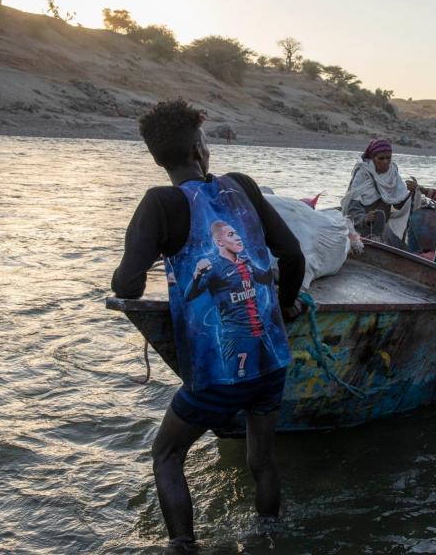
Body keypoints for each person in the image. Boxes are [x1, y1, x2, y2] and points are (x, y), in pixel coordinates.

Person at [111, 99, 305, 549]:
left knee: (166, 454)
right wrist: (288, 303)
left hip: (217, 374)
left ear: (157, 157)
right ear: (199, 149)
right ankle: (269, 534)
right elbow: (291, 255)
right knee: (261, 457)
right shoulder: (243, 186)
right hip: (271, 358)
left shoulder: (160, 203)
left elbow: (128, 286)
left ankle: (183, 545)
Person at [340, 139, 414, 238]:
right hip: (361, 225)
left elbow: (399, 203)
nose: (385, 162)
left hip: (382, 223)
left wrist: (413, 192)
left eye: (388, 158)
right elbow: (353, 205)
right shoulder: (363, 174)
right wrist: (364, 218)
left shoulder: (392, 172)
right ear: (372, 158)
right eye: (381, 158)